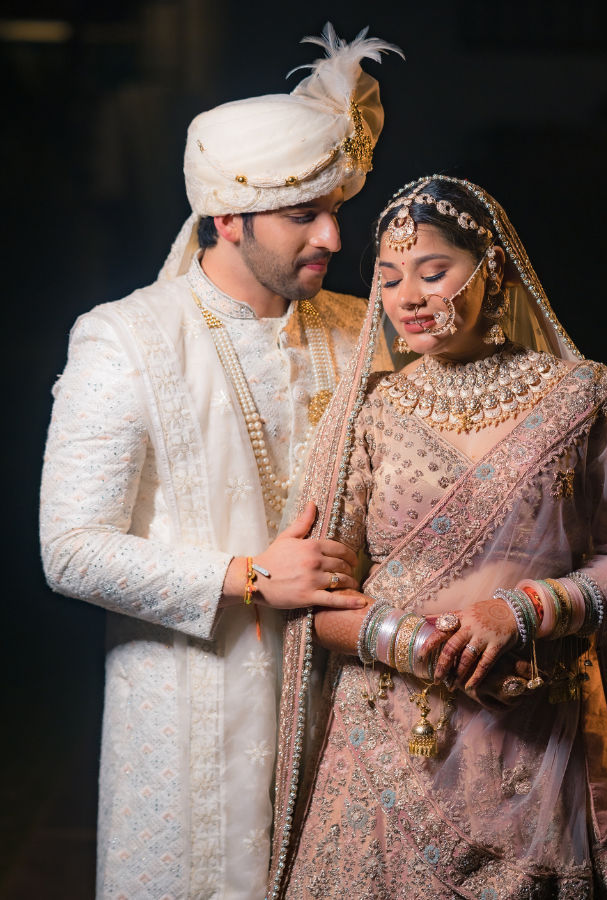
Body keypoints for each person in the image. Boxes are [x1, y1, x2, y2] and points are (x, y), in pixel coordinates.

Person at [39, 25, 401, 900]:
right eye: (302, 215)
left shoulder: (365, 330)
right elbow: (71, 551)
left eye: (335, 209)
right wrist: (254, 577)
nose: (332, 235)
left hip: (349, 706)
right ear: (227, 217)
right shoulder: (125, 338)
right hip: (187, 716)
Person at [267, 176, 607, 900]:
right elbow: (318, 598)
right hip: (385, 745)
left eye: (432, 272)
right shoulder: (366, 414)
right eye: (389, 278)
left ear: (492, 267)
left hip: (538, 743)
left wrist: (523, 610)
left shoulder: (583, 397)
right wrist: (422, 646)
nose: (408, 297)